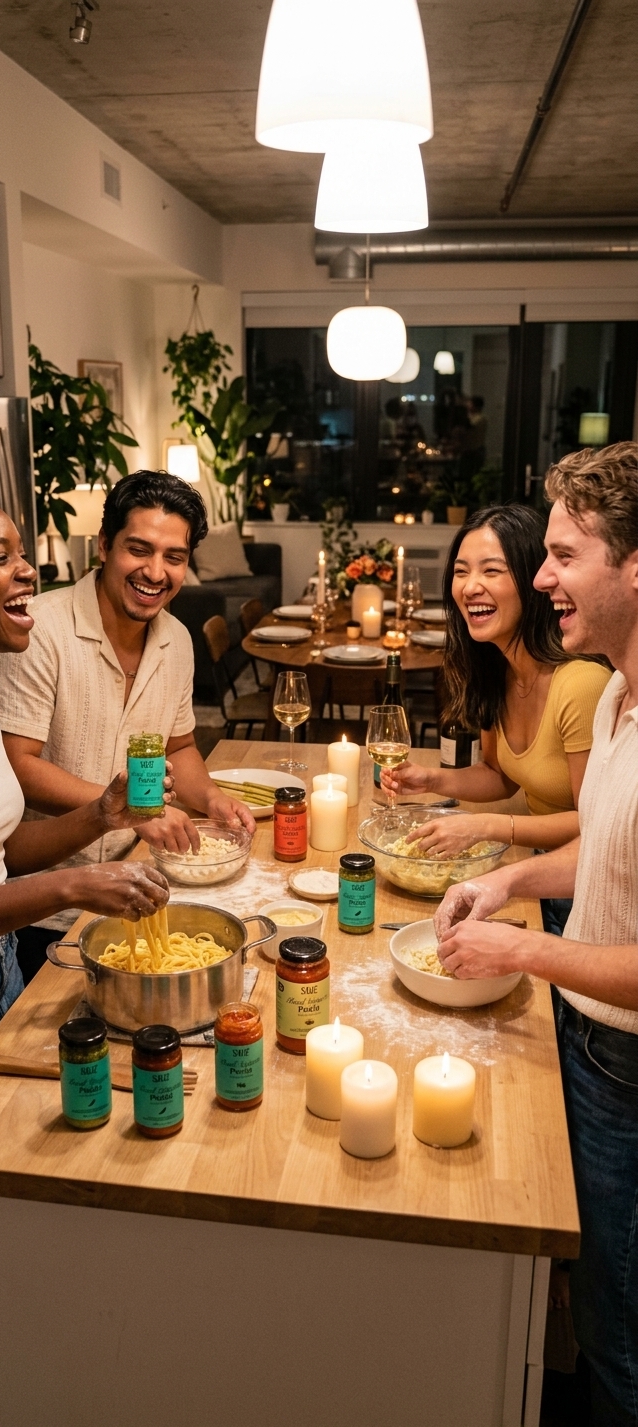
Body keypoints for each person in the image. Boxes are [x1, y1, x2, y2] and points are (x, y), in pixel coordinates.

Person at [0, 466, 169, 1427]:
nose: (27, 571)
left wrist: (99, 817)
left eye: (24, 552)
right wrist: (67, 887)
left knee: (9, 1247)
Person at [433, 442, 638, 1427]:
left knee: (620, 1329)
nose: (541, 577)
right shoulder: (619, 695)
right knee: (588, 1291)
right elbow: (602, 845)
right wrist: (508, 880)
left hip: (627, 1061)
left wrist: (520, 948)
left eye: (562, 554)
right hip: (589, 1035)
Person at [0, 471, 255, 983]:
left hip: (135, 883)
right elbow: (16, 766)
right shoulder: (40, 630)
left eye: (174, 557)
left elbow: (180, 746)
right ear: (105, 545)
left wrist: (213, 799)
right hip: (44, 907)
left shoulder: (176, 639)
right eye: (139, 549)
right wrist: (131, 811)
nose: (155, 572)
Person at [383, 504, 610, 934]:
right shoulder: (499, 669)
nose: (470, 587)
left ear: (533, 580)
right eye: (461, 572)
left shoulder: (580, 684)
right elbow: (498, 775)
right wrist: (430, 780)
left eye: (491, 571)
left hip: (581, 888)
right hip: (533, 866)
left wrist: (488, 826)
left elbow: (595, 823)